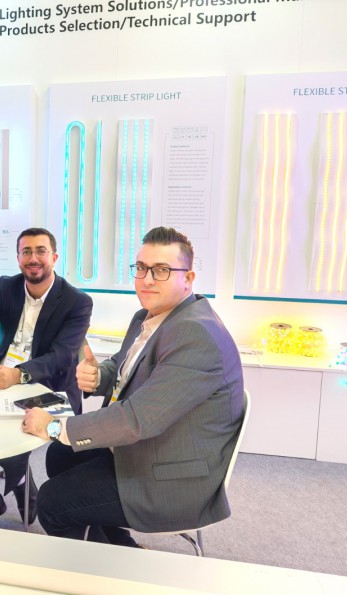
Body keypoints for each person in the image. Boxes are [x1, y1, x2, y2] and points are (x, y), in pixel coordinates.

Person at [22, 226, 244, 545]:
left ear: (188, 278)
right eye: (141, 268)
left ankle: (109, 564)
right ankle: (117, 544)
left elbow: (136, 419)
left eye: (162, 270)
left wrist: (53, 426)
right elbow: (125, 367)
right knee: (60, 456)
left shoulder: (196, 335)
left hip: (168, 476)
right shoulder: (149, 317)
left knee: (52, 502)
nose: (147, 279)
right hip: (147, 446)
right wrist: (100, 377)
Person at [0, 227, 92, 524]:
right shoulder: (9, 286)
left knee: (8, 442)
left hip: (49, 386)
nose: (33, 258)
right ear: (18, 258)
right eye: (26, 251)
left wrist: (18, 375)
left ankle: (21, 483)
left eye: (41, 251)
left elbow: (62, 357)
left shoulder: (77, 301)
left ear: (54, 257)